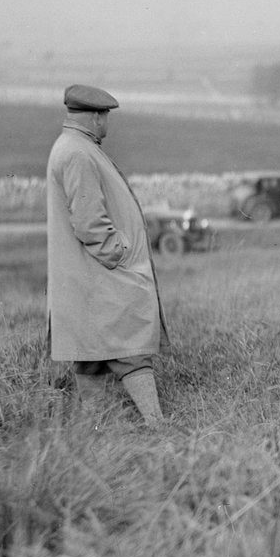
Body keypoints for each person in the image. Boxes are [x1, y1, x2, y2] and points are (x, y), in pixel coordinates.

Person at [46, 84, 169, 427]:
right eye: (106, 117)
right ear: (96, 117)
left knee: (90, 355)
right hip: (101, 271)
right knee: (130, 350)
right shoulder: (78, 153)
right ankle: (158, 426)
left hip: (87, 275)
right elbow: (89, 223)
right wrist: (121, 253)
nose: (107, 124)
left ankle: (94, 432)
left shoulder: (74, 147)